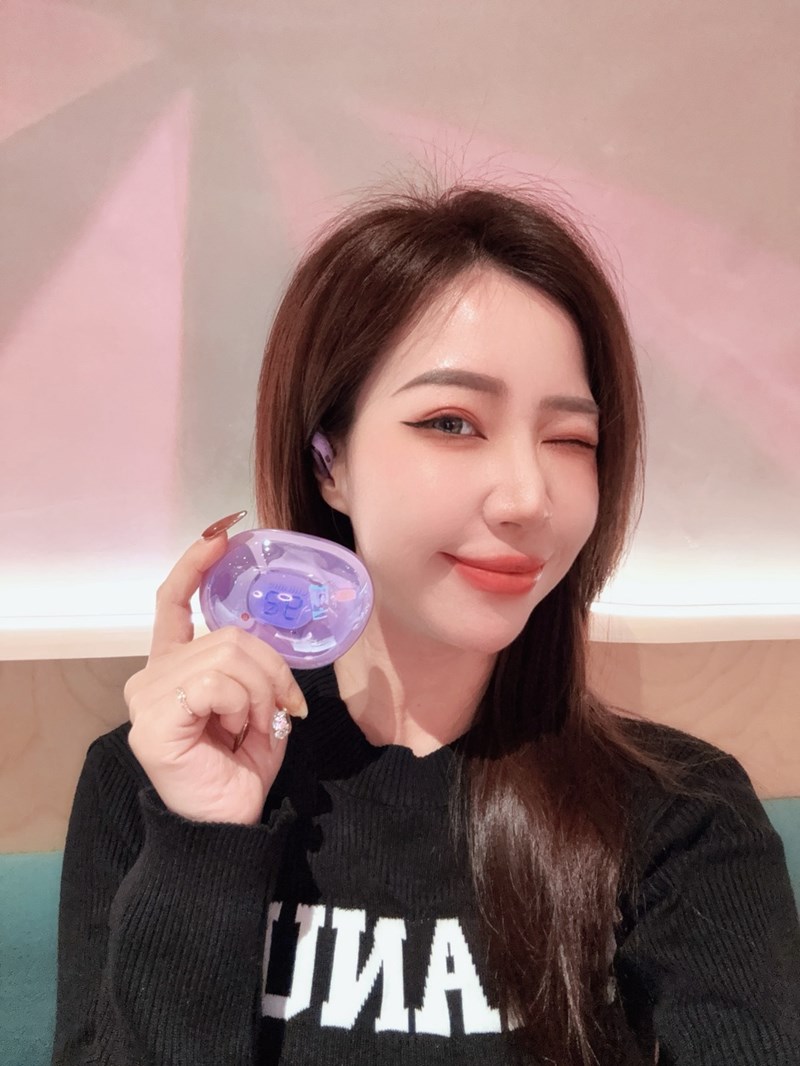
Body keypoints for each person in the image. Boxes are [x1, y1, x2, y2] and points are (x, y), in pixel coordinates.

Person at [52, 183, 800, 1066]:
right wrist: (205, 840)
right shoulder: (149, 781)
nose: (528, 498)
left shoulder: (682, 815)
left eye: (570, 438)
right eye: (452, 423)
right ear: (329, 464)